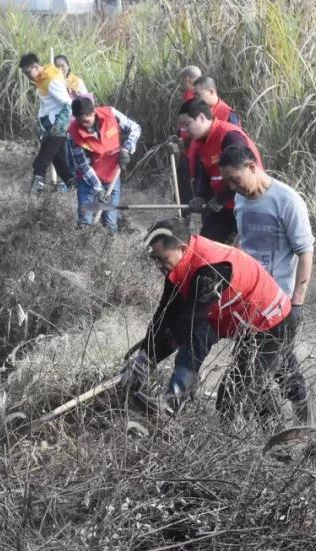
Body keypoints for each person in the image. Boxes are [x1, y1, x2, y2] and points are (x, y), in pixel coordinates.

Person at [123, 219, 295, 421]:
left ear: (181, 247)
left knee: (233, 395)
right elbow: (165, 314)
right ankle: (172, 405)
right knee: (192, 347)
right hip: (230, 314)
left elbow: (187, 323)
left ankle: (276, 447)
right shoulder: (181, 264)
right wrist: (145, 356)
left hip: (270, 324)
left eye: (162, 258)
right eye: (154, 259)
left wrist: (149, 360)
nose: (158, 264)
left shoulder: (210, 270)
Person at [219, 144, 313, 422]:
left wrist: (297, 301)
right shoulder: (241, 200)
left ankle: (287, 435)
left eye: (236, 179)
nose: (234, 187)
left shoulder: (287, 200)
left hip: (279, 304)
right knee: (281, 367)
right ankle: (305, 431)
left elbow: (305, 252)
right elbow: (243, 242)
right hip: (248, 302)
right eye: (228, 182)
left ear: (251, 167)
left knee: (250, 376)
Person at [180, 98, 263, 244]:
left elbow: (240, 174)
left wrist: (219, 200)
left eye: (187, 124)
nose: (184, 131)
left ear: (201, 118)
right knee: (205, 248)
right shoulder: (201, 141)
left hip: (244, 202)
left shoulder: (230, 136)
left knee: (243, 252)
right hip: (223, 205)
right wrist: (201, 196)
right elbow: (206, 172)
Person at [67, 96, 141, 231]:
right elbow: (83, 165)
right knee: (84, 221)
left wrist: (126, 148)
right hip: (87, 180)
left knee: (110, 223)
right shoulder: (73, 134)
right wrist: (98, 188)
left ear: (94, 111)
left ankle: (109, 247)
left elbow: (135, 128)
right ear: (76, 118)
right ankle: (84, 244)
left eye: (89, 115)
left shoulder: (111, 114)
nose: (87, 121)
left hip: (112, 176)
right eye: (83, 119)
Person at [19, 52, 76, 195]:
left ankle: (34, 195)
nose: (26, 76)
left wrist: (59, 126)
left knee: (41, 162)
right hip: (49, 126)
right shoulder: (43, 77)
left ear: (36, 67)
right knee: (60, 163)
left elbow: (68, 103)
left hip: (56, 128)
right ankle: (75, 188)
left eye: (27, 72)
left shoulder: (51, 80)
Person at [175, 65, 202, 214]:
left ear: (186, 80)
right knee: (183, 191)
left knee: (186, 192)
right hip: (186, 151)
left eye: (181, 80)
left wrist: (183, 145)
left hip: (192, 154)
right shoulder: (191, 96)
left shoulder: (195, 98)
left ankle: (185, 223)